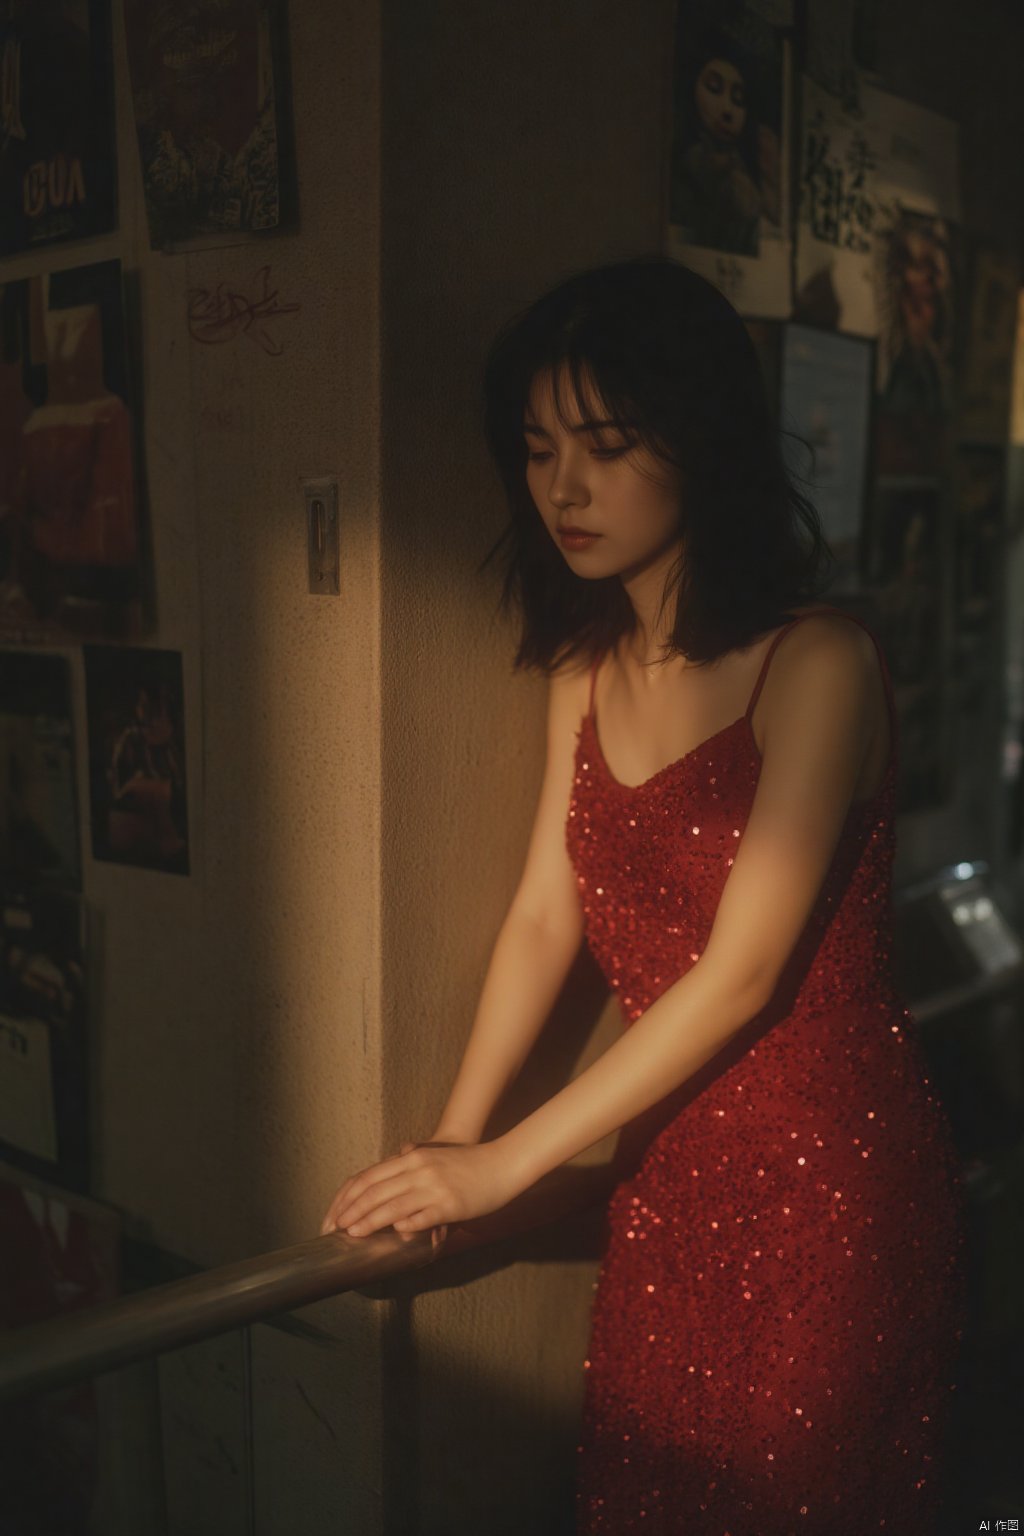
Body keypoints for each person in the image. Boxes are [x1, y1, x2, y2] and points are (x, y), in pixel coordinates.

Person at [320, 257, 968, 1533]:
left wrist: (502, 1169)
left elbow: (740, 976)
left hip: (831, 1198)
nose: (563, 485)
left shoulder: (816, 662)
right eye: (537, 447)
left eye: (605, 446)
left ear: (701, 441)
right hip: (666, 1183)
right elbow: (543, 918)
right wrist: (451, 1140)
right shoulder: (586, 660)